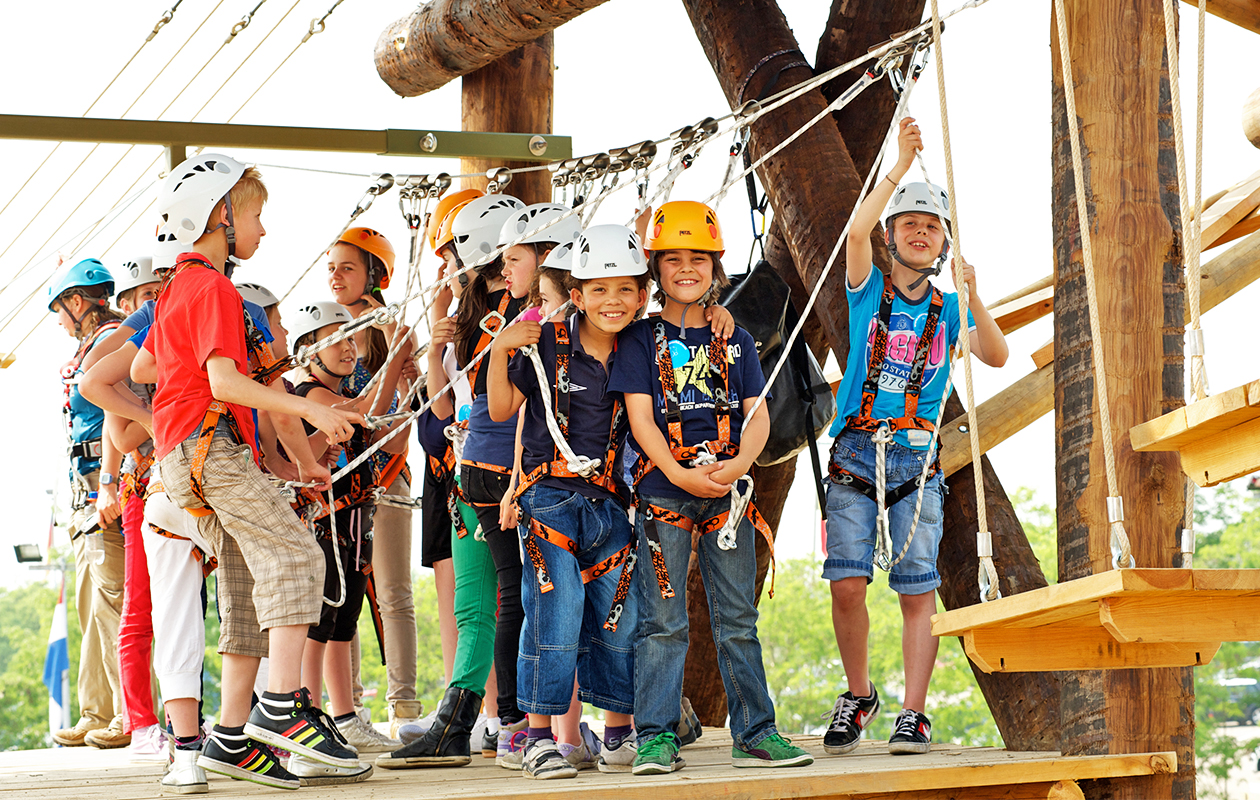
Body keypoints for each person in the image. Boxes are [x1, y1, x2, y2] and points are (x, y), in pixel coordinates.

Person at [143, 153, 362, 790]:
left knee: (247, 579)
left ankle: (230, 738)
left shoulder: (176, 290)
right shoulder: (212, 288)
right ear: (220, 216)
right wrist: (308, 413)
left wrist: (297, 459)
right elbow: (224, 381)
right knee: (298, 556)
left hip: (186, 456)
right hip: (213, 453)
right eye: (256, 217)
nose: (262, 231)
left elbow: (145, 372)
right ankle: (281, 707)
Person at [821, 117, 1008, 757]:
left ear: (943, 244)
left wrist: (975, 296)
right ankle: (859, 692)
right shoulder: (867, 291)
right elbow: (854, 230)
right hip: (855, 448)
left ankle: (914, 711)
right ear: (892, 238)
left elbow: (996, 354)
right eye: (908, 224)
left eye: (931, 227)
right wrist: (899, 166)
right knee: (847, 583)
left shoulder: (951, 309)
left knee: (915, 586)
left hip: (915, 455)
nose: (919, 232)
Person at [608, 200, 812, 774]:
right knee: (662, 620)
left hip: (725, 487)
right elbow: (641, 417)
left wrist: (741, 462)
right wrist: (676, 472)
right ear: (656, 269)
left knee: (737, 616)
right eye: (673, 259)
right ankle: (655, 735)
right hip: (665, 489)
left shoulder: (736, 339)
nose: (686, 269)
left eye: (698, 258)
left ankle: (756, 729)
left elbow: (759, 413)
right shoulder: (639, 341)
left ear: (715, 266)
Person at [487, 224, 648, 779]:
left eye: (625, 289)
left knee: (616, 620)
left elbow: (694, 323)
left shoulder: (644, 345)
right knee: (554, 615)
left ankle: (618, 733)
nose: (613, 301)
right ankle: (537, 737)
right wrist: (499, 349)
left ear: (643, 296)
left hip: (610, 505)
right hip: (550, 498)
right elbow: (505, 409)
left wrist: (720, 316)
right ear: (575, 296)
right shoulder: (546, 340)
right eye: (598, 290)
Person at [379, 192, 530, 770]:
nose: (442, 269)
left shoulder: (523, 318)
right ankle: (460, 722)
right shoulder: (466, 322)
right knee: (477, 605)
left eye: (448, 258)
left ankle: (517, 719)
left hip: (510, 477)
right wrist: (440, 346)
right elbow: (443, 416)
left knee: (518, 599)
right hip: (470, 477)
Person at [287, 300, 411, 765]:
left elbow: (386, 436)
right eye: (335, 339)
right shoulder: (308, 392)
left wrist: (401, 384)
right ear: (307, 350)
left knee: (343, 623)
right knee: (321, 623)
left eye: (350, 338)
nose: (348, 347)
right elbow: (360, 412)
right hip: (325, 523)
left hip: (355, 521)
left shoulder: (338, 391)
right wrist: (397, 356)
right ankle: (309, 717)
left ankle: (344, 716)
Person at [325, 227, 423, 735]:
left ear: (374, 275)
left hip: (386, 472)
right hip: (339, 477)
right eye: (332, 268)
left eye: (346, 267)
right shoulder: (324, 334)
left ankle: (403, 704)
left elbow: (408, 411)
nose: (335, 277)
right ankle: (349, 705)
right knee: (344, 591)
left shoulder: (393, 334)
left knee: (393, 592)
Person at [79, 255, 163, 758]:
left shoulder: (155, 340)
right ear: (126, 304)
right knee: (137, 606)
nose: (151, 301)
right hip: (143, 488)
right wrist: (108, 483)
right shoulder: (122, 358)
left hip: (177, 484)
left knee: (183, 609)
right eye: (142, 295)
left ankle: (174, 717)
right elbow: (121, 433)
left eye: (157, 291)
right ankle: (139, 719)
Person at [47, 258, 129, 750]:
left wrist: (110, 485)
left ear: (78, 303)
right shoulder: (89, 348)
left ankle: (126, 711)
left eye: (61, 309)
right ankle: (95, 710)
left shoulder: (111, 342)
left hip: (107, 484)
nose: (60, 320)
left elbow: (119, 410)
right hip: (86, 489)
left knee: (111, 604)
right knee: (90, 605)